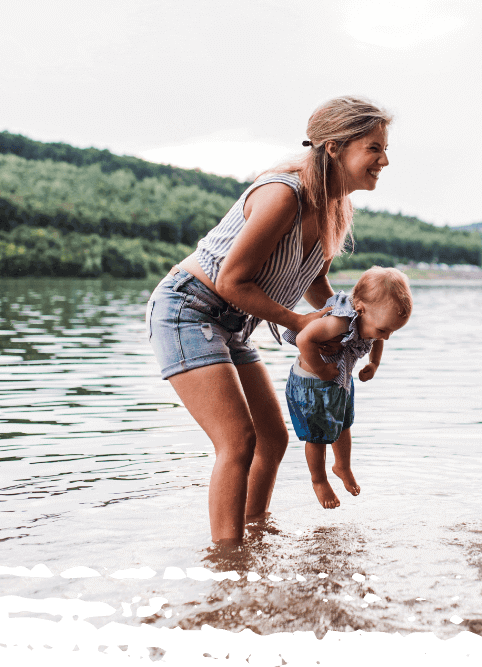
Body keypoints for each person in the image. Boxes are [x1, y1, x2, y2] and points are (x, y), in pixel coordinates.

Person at [146, 96, 392, 543]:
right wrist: (299, 324)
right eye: (373, 148)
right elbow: (231, 280)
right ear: (335, 147)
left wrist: (352, 318)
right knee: (237, 441)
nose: (384, 159)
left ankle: (253, 538)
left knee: (272, 440)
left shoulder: (336, 205)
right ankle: (227, 562)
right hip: (189, 308)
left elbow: (313, 277)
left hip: (234, 322)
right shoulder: (283, 195)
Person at [283, 266, 412, 508]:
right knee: (317, 437)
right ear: (360, 309)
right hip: (312, 385)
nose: (386, 337)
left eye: (392, 331)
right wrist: (321, 370)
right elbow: (303, 339)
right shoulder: (338, 322)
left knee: (344, 424)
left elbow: (375, 340)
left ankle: (342, 465)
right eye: (384, 329)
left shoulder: (374, 321)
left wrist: (374, 363)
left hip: (339, 381)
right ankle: (318, 479)